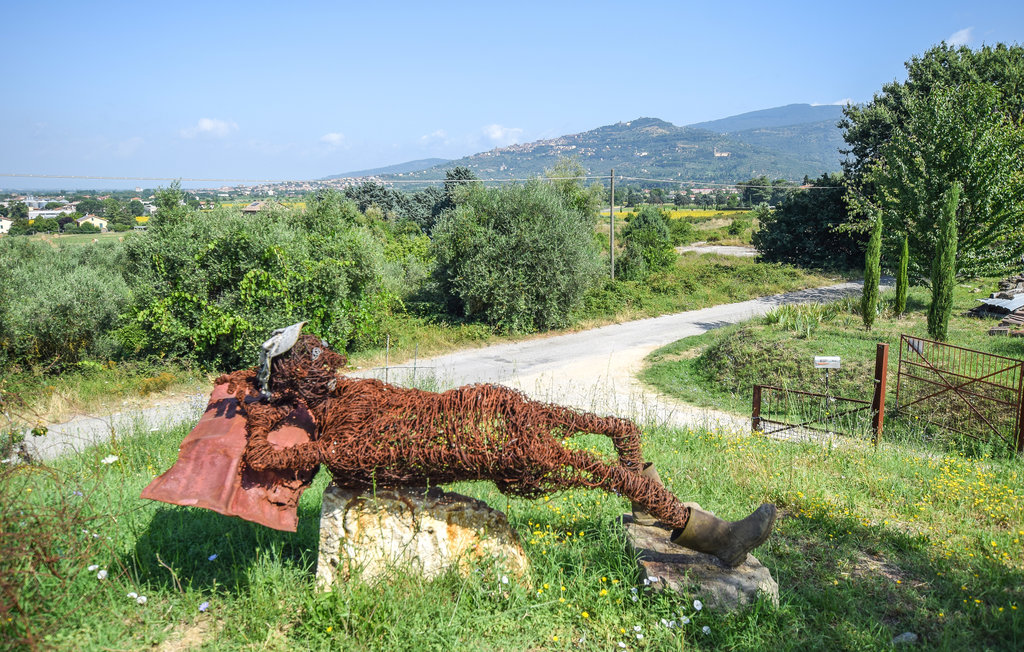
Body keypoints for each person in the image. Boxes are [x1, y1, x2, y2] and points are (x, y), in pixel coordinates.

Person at [216, 323, 776, 568]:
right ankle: (713, 536)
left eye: (314, 346)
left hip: (479, 407)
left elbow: (415, 403)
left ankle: (646, 502)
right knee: (596, 469)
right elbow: (263, 458)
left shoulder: (353, 388)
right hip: (482, 446)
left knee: (617, 427)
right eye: (304, 355)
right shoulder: (336, 442)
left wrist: (469, 406)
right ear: (292, 380)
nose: (319, 352)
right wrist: (261, 415)